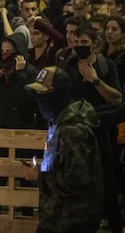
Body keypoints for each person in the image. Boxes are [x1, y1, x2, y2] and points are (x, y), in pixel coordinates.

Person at [25, 67, 104, 233]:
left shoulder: (72, 129)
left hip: (70, 221)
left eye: (44, 93)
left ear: (57, 94)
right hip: (59, 217)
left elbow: (77, 181)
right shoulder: (59, 121)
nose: (40, 99)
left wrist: (40, 176)